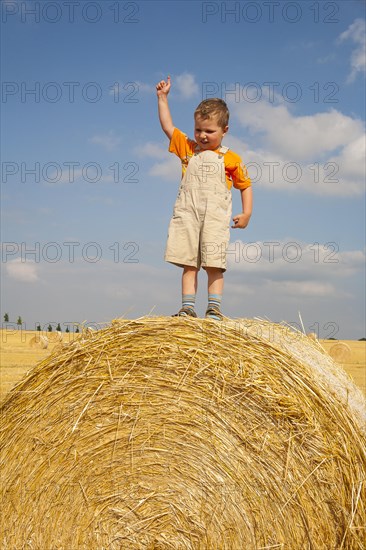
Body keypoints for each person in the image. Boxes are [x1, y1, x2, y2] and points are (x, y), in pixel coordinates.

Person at [156, 75, 253, 320]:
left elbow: (245, 185)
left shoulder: (232, 159)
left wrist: (247, 212)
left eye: (210, 131)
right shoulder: (188, 150)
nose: (202, 135)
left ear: (224, 131)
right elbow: (168, 127)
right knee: (188, 262)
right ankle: (187, 308)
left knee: (214, 264)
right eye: (198, 129)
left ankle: (214, 309)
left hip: (215, 218)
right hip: (188, 215)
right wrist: (162, 98)